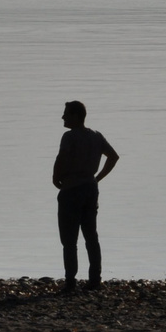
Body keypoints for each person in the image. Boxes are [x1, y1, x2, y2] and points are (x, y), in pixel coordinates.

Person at [52, 100, 118, 292]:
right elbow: (113, 157)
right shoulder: (96, 136)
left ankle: (71, 281)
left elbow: (61, 159)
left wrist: (56, 178)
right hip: (90, 188)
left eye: (66, 113)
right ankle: (95, 279)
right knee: (91, 236)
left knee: (69, 240)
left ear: (76, 116)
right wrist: (97, 178)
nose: (63, 117)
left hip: (71, 189)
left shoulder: (69, 137)